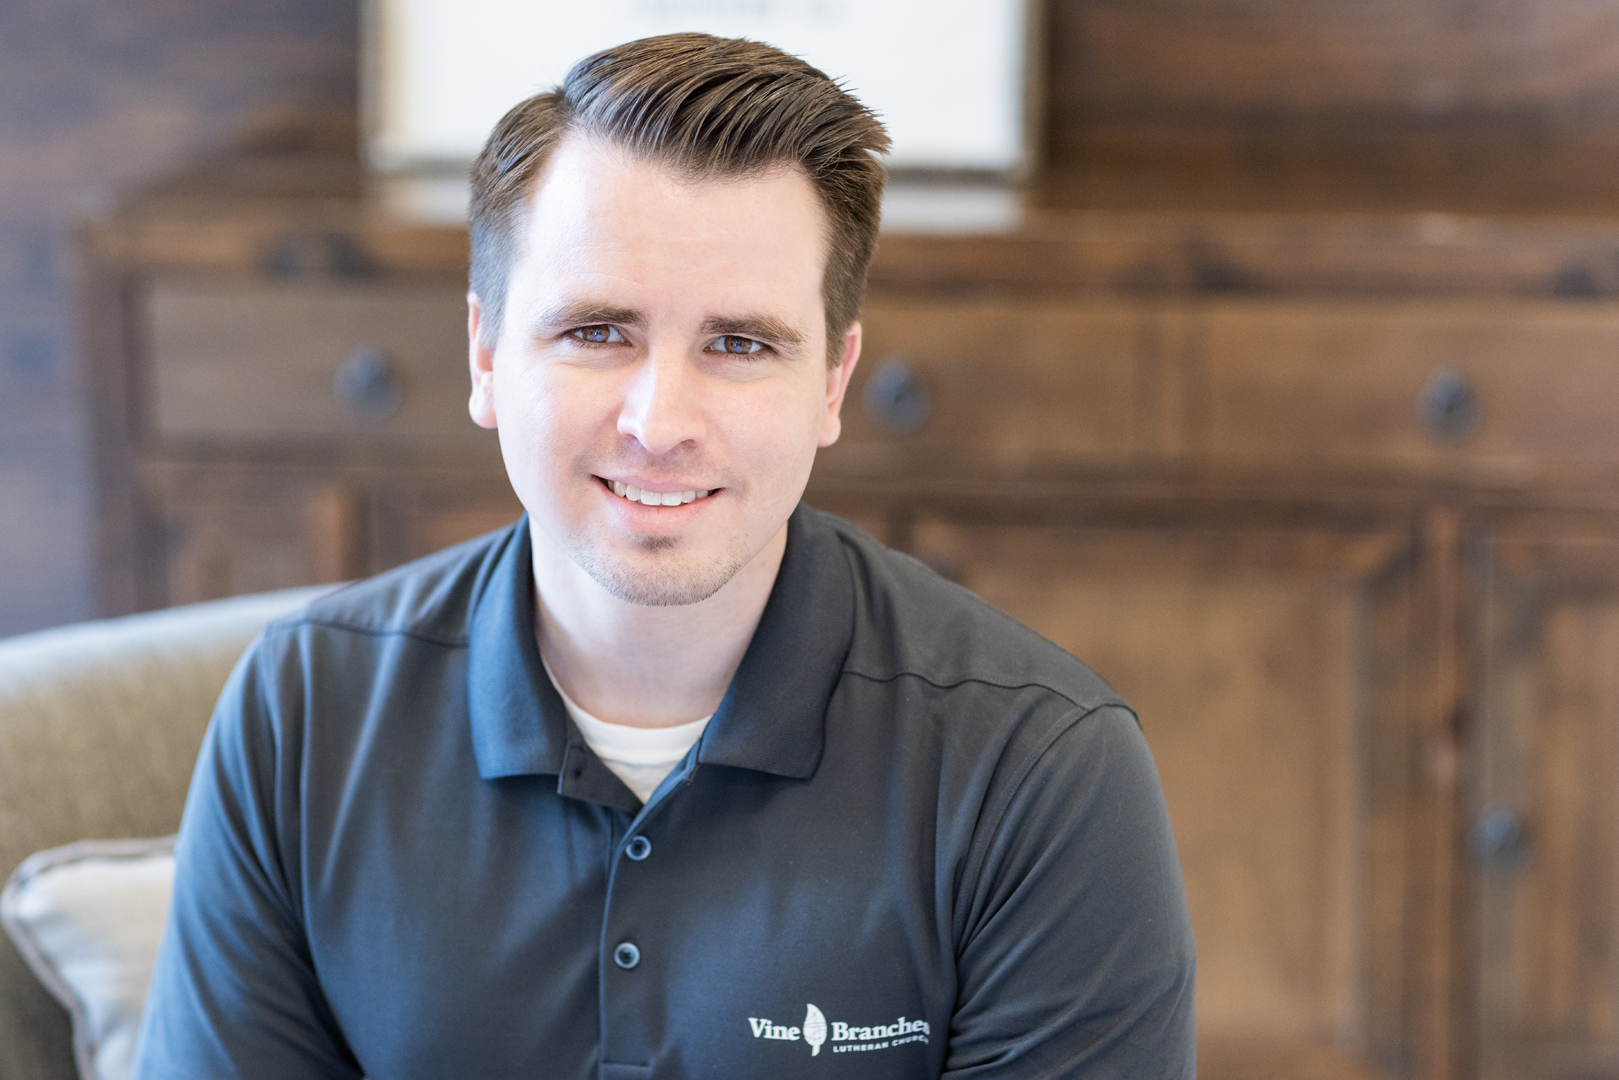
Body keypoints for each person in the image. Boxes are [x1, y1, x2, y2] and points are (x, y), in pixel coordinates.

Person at [135, 33, 1195, 1079]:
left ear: (831, 381)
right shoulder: (303, 712)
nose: (659, 421)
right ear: (486, 354)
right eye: (598, 331)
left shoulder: (1039, 771)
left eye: (739, 344)